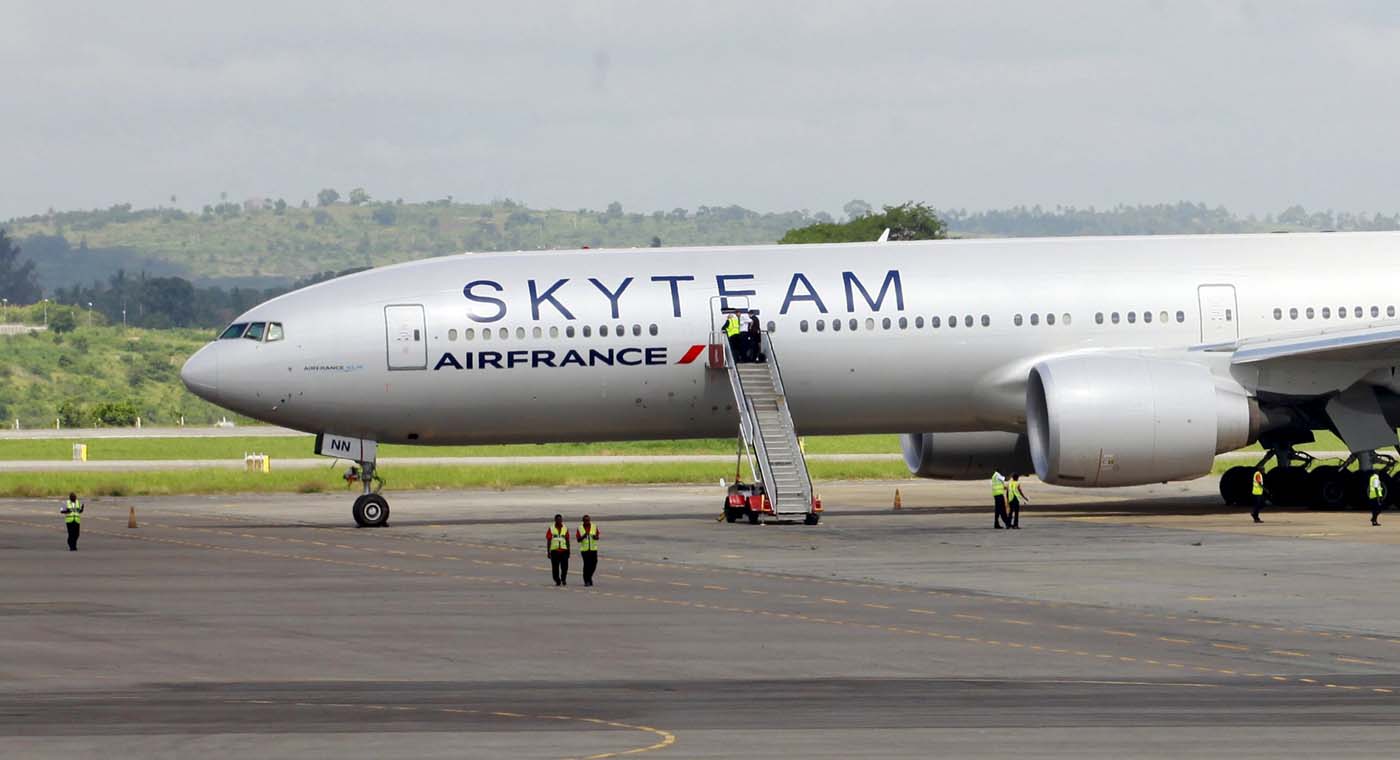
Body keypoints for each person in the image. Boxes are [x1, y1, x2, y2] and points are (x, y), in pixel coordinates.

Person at [546, 514, 571, 586]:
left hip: (564, 551)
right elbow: (549, 540)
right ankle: (557, 580)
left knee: (565, 567)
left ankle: (563, 579)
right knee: (555, 568)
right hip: (555, 551)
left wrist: (569, 550)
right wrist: (548, 551)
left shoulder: (565, 528)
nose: (559, 521)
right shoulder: (551, 528)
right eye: (558, 519)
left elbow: (567, 540)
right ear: (555, 520)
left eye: (560, 519)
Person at [576, 514, 600, 586]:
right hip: (585, 550)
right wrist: (583, 536)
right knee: (586, 565)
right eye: (586, 520)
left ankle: (589, 577)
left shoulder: (594, 526)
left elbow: (597, 537)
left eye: (588, 520)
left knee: (594, 564)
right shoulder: (580, 528)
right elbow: (578, 540)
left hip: (593, 549)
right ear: (583, 521)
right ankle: (586, 581)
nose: (587, 521)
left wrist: (595, 537)